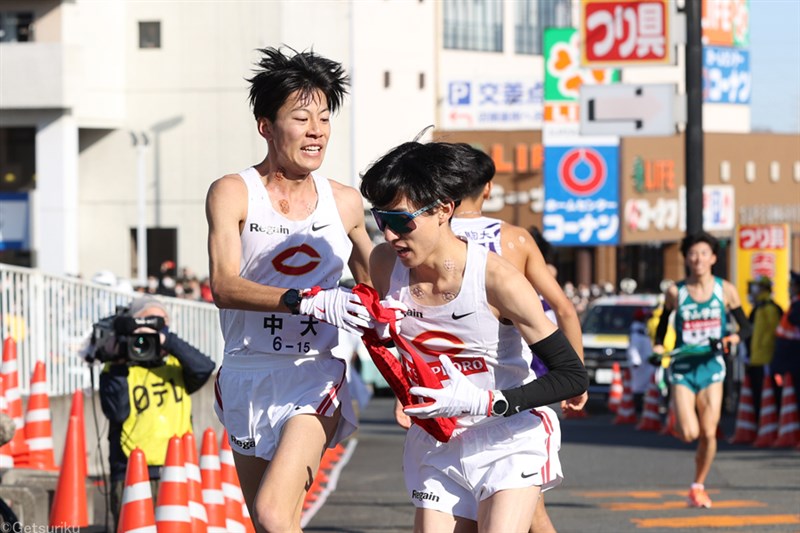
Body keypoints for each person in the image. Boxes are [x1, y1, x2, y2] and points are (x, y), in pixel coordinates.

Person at [360, 140, 587, 532]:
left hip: (507, 435)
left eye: (400, 220)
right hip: (439, 438)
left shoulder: (496, 278)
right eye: (381, 220)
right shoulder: (383, 264)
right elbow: (392, 339)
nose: (390, 235)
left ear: (443, 209)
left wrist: (487, 402)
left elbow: (572, 375)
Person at [205, 46, 379, 532]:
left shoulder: (343, 203)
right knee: (271, 523)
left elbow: (376, 286)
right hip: (246, 372)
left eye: (324, 118)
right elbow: (223, 285)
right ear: (266, 125)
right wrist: (306, 299)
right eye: (301, 118)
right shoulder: (233, 192)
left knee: (271, 512)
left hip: (312, 376)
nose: (317, 130)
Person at [447, 144, 585, 533]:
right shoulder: (514, 239)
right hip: (518, 387)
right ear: (487, 188)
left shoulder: (431, 238)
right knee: (523, 512)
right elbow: (564, 307)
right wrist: (576, 374)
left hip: (453, 390)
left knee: (514, 511)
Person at [652, 231, 752, 509]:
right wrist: (660, 346)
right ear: (686, 258)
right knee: (690, 433)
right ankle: (678, 415)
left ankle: (698, 486)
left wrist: (730, 339)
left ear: (713, 258)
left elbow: (746, 327)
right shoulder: (676, 291)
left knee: (709, 433)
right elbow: (662, 324)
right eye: (693, 254)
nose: (698, 259)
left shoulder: (725, 290)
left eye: (703, 253)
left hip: (712, 368)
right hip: (683, 367)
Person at [99, 296, 215, 529]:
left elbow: (205, 367)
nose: (147, 333)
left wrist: (166, 339)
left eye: (157, 323)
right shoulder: (117, 368)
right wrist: (121, 358)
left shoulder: (175, 364)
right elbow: (118, 412)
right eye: (142, 323)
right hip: (131, 470)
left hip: (177, 468)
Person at [746, 276, 782, 418]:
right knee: (757, 394)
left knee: (768, 395)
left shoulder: (770, 308)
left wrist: (768, 354)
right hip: (756, 359)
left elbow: (773, 333)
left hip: (766, 360)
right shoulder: (758, 309)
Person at [771, 271, 800, 414]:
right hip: (788, 358)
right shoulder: (794, 304)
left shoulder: (797, 306)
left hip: (793, 359)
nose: (789, 288)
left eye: (792, 285)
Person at [627, 307, 655, 413]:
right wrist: (635, 361)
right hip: (640, 366)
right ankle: (637, 408)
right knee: (638, 386)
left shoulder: (643, 331)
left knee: (646, 386)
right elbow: (633, 349)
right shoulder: (636, 333)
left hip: (646, 364)